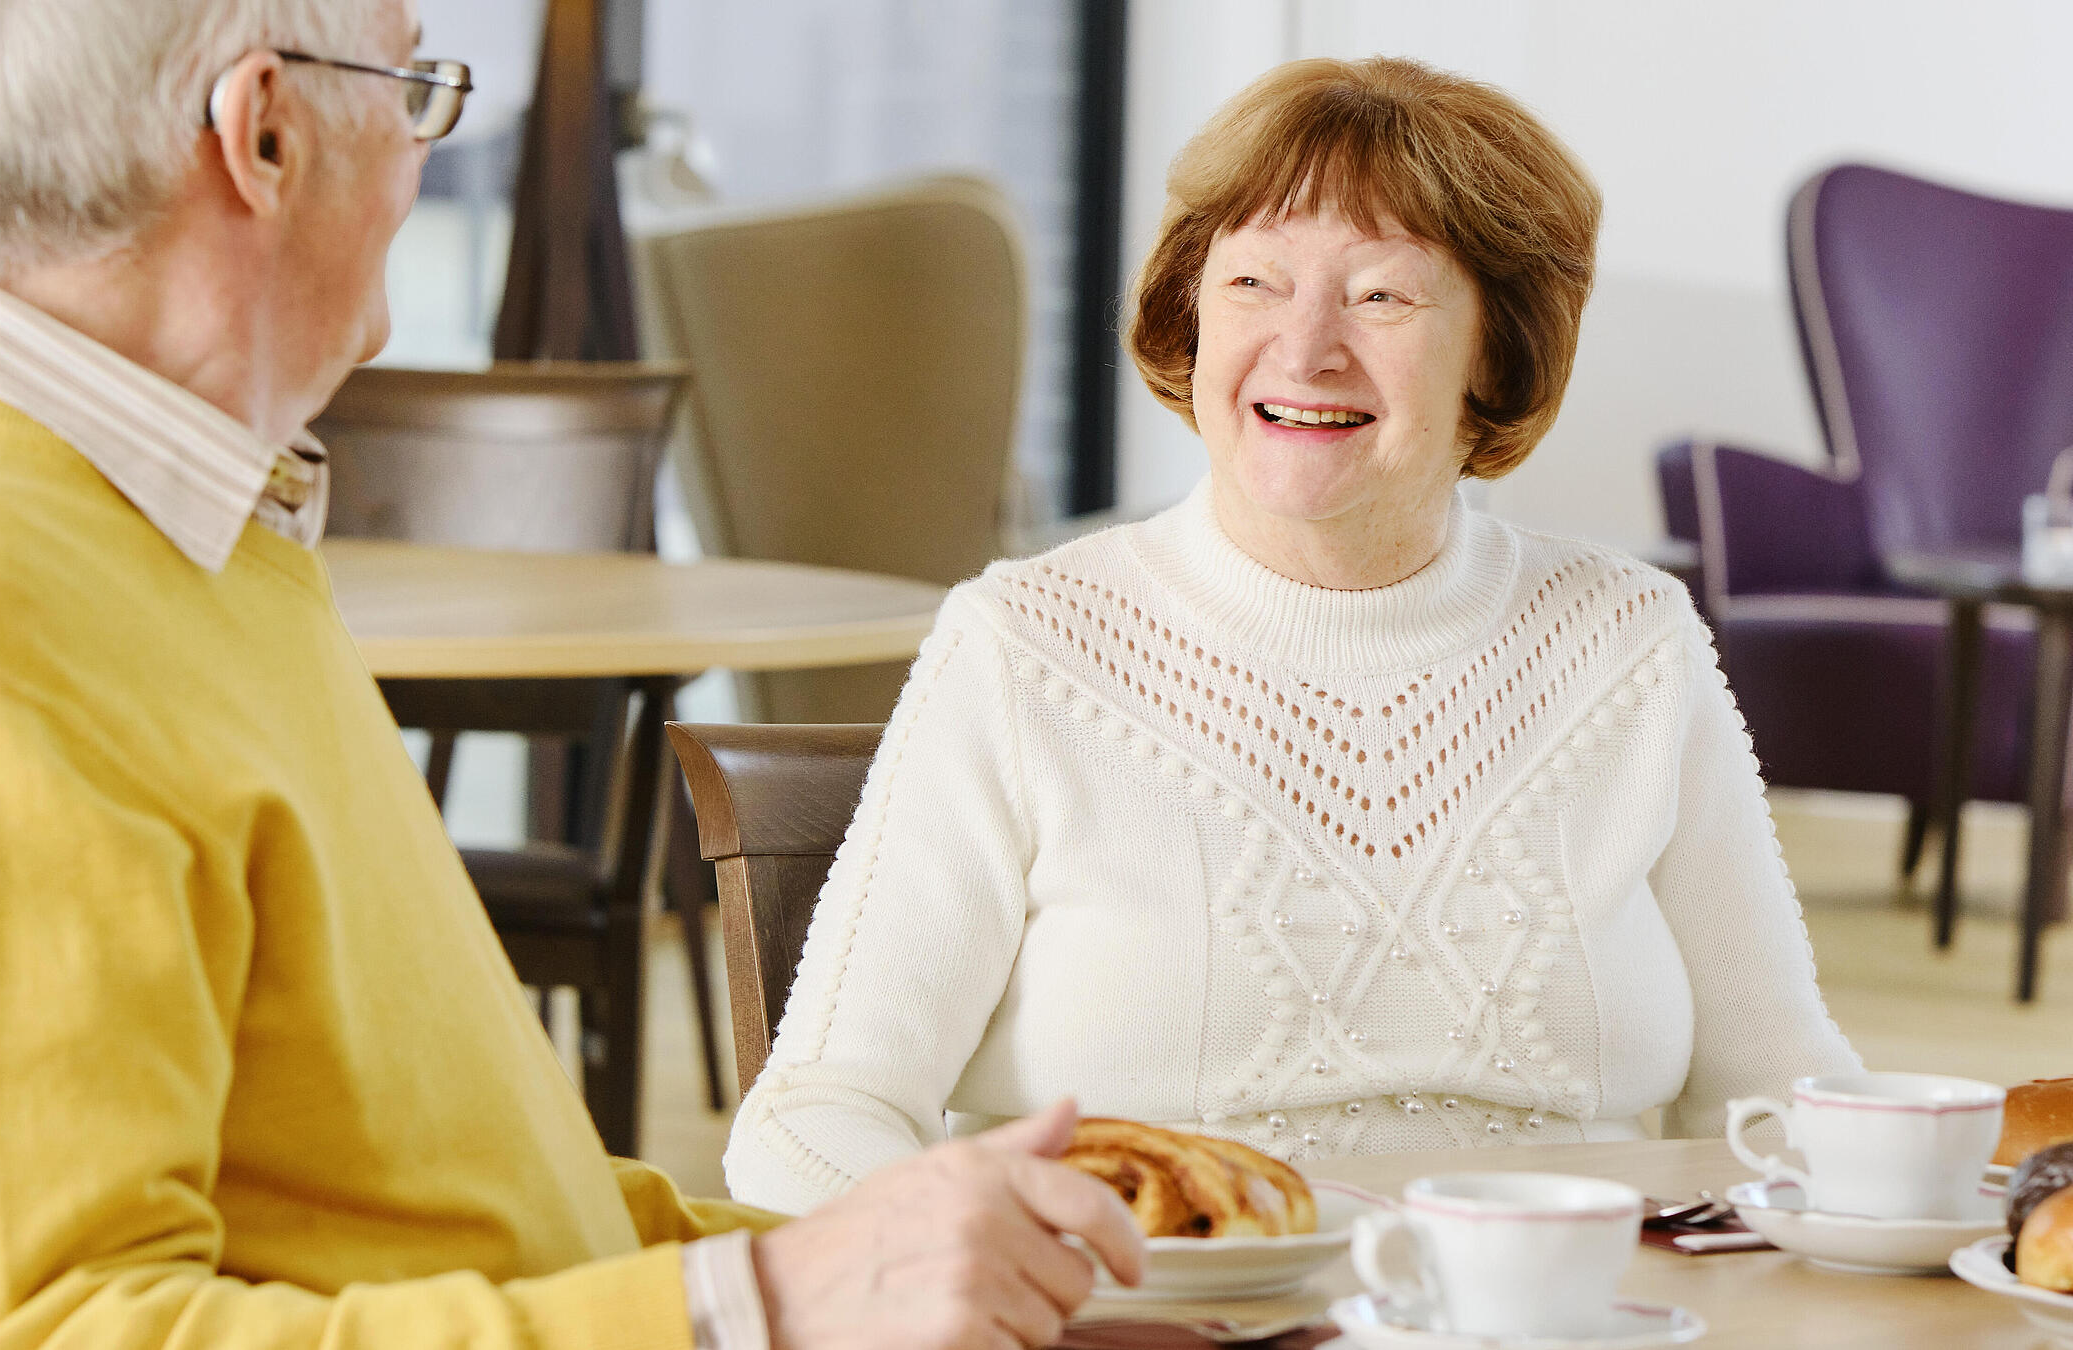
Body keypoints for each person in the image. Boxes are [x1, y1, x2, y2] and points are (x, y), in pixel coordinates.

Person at [0, 1, 1146, 1346]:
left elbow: (451, 1194)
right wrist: (753, 1302)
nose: (423, 153)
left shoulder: (150, 536)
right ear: (265, 135)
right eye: (416, 87)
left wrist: (896, 1269)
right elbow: (63, 1328)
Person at [725, 55, 1861, 1215]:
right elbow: (815, 1119)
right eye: (1255, 283)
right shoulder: (1026, 646)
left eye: (1382, 296)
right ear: (1191, 316)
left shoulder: (1626, 639)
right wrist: (1011, 1266)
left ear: (1498, 350)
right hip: (1154, 1318)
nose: (1306, 346)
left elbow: (1775, 1090)